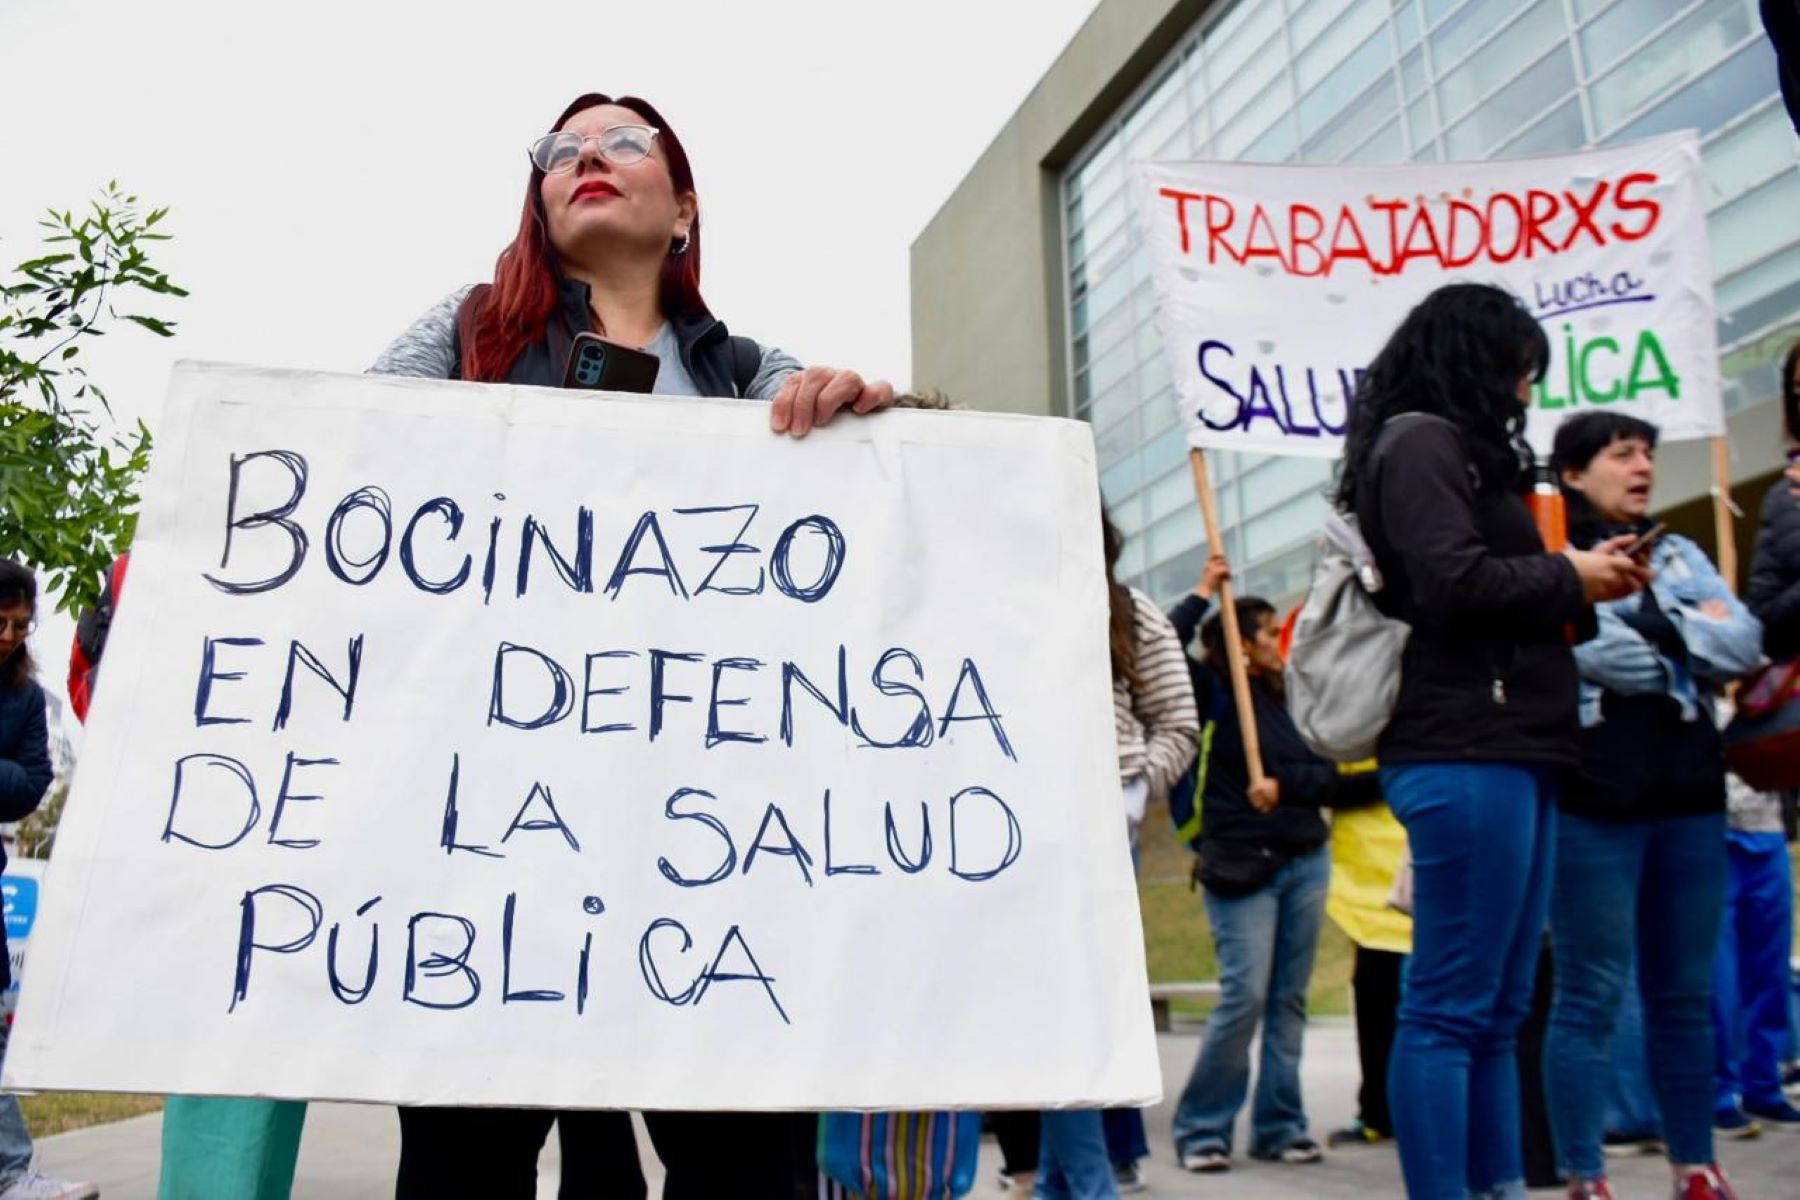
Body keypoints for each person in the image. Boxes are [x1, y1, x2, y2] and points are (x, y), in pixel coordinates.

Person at [368, 92, 895, 1200]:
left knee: (748, 1171)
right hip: (491, 847)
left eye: (622, 141)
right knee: (466, 1170)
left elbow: (873, 550)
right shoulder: (466, 337)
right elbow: (347, 483)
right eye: (561, 149)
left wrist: (869, 427)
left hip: (706, 860)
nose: (586, 157)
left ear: (685, 208)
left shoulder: (753, 375)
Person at [1332, 283, 1649, 1200]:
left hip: (1518, 743)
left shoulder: (1463, 455)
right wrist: (1567, 573)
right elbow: (1450, 582)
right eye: (1518, 372)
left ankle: (1499, 1185)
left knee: (1500, 1007)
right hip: (1464, 745)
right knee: (1449, 1008)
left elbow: (1492, 586)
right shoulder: (1421, 440)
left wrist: (1585, 586)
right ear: (1474, 359)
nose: (1524, 393)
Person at [1542, 411, 1763, 1200]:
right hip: (1593, 797)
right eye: (1621, 454)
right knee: (1591, 993)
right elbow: (1581, 645)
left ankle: (1695, 1165)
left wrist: (1652, 623)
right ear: (1572, 472)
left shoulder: (1678, 552)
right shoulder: (1548, 553)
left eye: (1647, 455)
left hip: (1692, 798)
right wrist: (1684, 632)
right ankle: (1586, 1176)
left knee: (1683, 994)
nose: (1641, 468)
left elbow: (1744, 643)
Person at [1168, 592, 1379, 1174]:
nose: (1276, 644)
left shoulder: (1292, 700)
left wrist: (1289, 787)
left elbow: (1331, 777)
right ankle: (1202, 1128)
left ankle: (1279, 1125)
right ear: (1238, 645)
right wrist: (1204, 595)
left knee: (1289, 999)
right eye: (1265, 633)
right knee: (1246, 996)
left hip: (1304, 860)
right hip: (1241, 863)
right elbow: (1164, 638)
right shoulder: (1212, 694)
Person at [1030, 512, 1195, 1200]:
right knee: (1059, 1013)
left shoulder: (1132, 612)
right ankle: (1059, 1183)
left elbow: (1178, 723)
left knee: (1078, 1012)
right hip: (1016, 834)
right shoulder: (996, 592)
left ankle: (1080, 1185)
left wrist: (1131, 793)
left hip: (1103, 835)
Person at [0, 560, 99, 1200]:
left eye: (20, 624)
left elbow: (31, 785)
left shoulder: (26, 698)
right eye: (0, 620)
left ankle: (12, 1173)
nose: (10, 635)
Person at [1323, 791, 1410, 1148]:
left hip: (1406, 875)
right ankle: (1377, 1111)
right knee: (1376, 1004)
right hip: (1368, 889)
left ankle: (1401, 1112)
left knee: (1422, 1017)